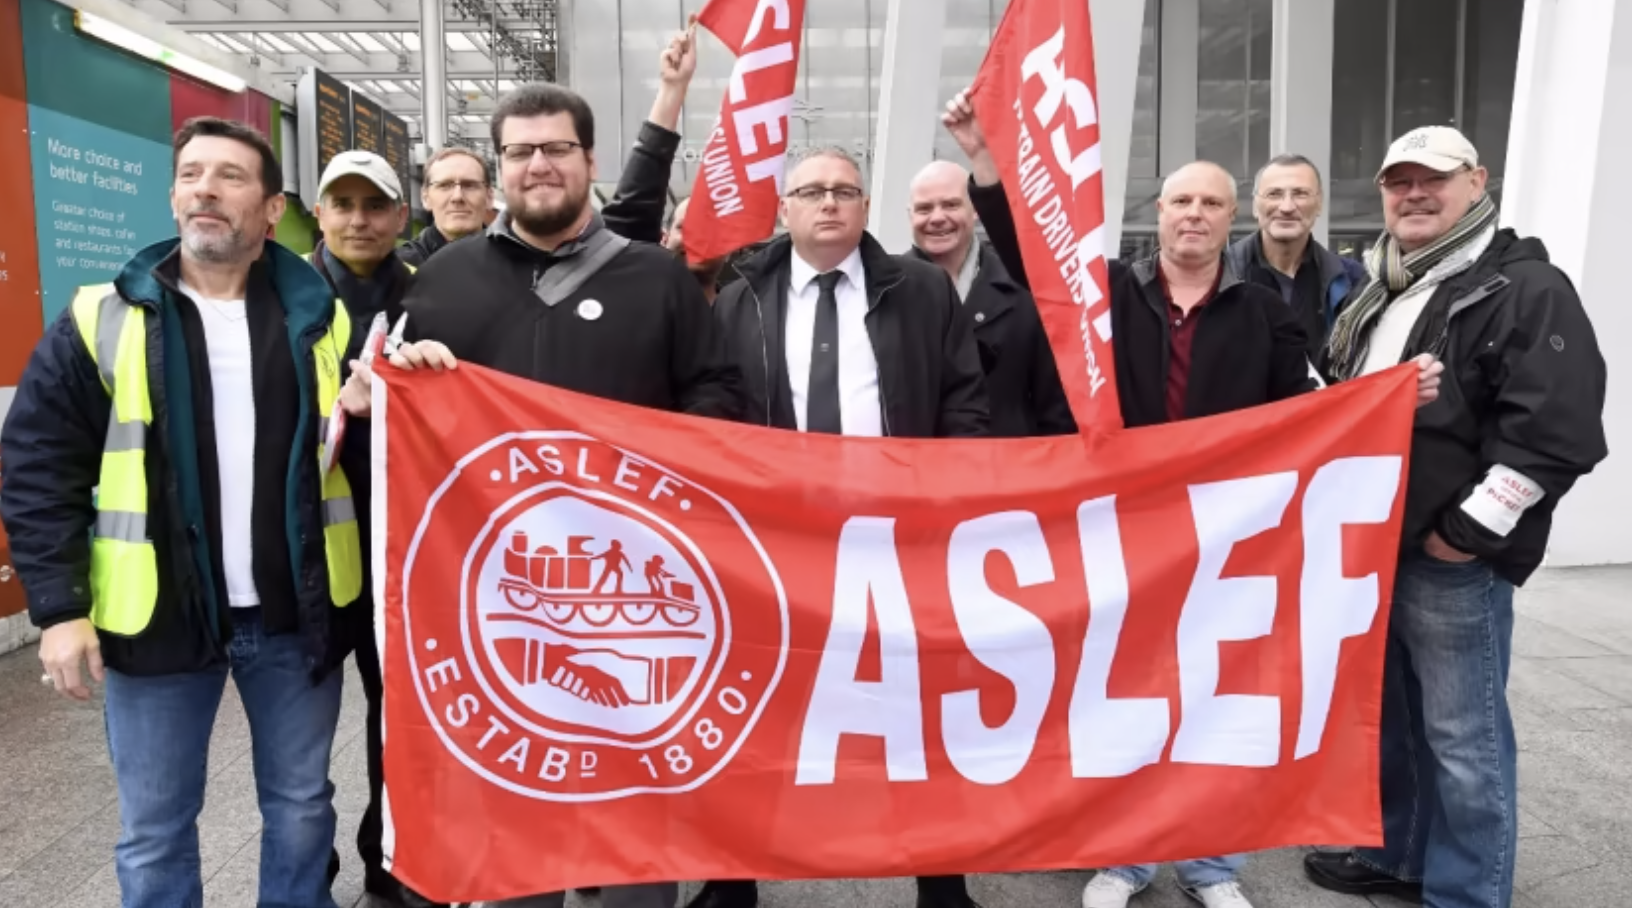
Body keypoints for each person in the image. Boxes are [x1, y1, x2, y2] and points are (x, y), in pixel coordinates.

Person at [941, 89, 1442, 908]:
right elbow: (1031, 254)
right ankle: (1126, 859)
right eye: (1181, 202)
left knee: (1213, 702)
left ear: (1230, 218)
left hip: (1221, 542)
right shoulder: (1106, 294)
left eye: (1211, 204)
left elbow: (1312, 409)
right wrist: (982, 160)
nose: (1195, 216)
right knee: (1123, 698)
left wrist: (1388, 399)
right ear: (1160, 213)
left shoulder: (1263, 314)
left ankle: (1212, 866)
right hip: (1124, 536)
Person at [338, 81, 741, 908]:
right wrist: (390, 394)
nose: (539, 165)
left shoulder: (656, 280)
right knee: (510, 810)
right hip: (497, 598)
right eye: (520, 152)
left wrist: (664, 460)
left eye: (557, 148)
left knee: (634, 825)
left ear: (590, 159)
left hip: (627, 599)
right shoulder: (442, 280)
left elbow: (717, 396)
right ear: (501, 168)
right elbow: (397, 433)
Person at [0, 116, 362, 908]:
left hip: (292, 617)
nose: (206, 189)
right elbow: (37, 464)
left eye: (230, 176)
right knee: (156, 828)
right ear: (172, 197)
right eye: (192, 174)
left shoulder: (322, 317)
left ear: (272, 209)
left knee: (303, 808)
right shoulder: (103, 316)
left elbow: (357, 457)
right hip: (157, 618)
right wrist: (59, 609)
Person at [1303, 126, 1607, 908]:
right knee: (1396, 721)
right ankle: (1399, 855)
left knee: (1464, 739)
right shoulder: (1380, 288)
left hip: (1446, 557)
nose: (1414, 194)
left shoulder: (1526, 288)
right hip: (1375, 544)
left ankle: (1468, 892)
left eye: (1432, 179)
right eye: (1398, 181)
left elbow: (1555, 434)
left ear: (1477, 182)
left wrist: (1464, 536)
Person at [694, 147, 988, 908]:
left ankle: (943, 882)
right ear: (785, 208)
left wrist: (945, 503)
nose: (829, 203)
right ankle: (733, 879)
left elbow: (963, 400)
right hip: (776, 544)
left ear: (864, 205)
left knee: (918, 713)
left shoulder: (920, 290)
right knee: (756, 709)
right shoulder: (740, 298)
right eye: (812, 191)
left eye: (844, 191)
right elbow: (715, 407)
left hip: (898, 539)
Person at [305, 149, 445, 908]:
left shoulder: (436, 295)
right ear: (318, 213)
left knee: (397, 712)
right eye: (343, 204)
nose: (358, 220)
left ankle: (388, 857)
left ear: (400, 215)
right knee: (299, 734)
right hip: (312, 551)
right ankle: (305, 874)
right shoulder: (283, 296)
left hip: (408, 551)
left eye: (374, 205)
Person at [907, 159, 1074, 436]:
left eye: (950, 205)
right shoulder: (882, 292)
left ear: (975, 210)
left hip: (1006, 458)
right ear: (909, 215)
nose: (937, 218)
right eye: (924, 208)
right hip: (912, 458)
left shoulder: (1026, 290)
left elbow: (1054, 405)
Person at [1225, 154, 1367, 357]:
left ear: (1319, 204)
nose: (1287, 207)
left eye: (1300, 194)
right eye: (1274, 194)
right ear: (1256, 206)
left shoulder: (1352, 280)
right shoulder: (1219, 275)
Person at [399, 146, 492, 265]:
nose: (457, 197)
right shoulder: (400, 269)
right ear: (425, 197)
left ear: (489, 197)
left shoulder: (512, 262)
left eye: (469, 185)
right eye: (444, 185)